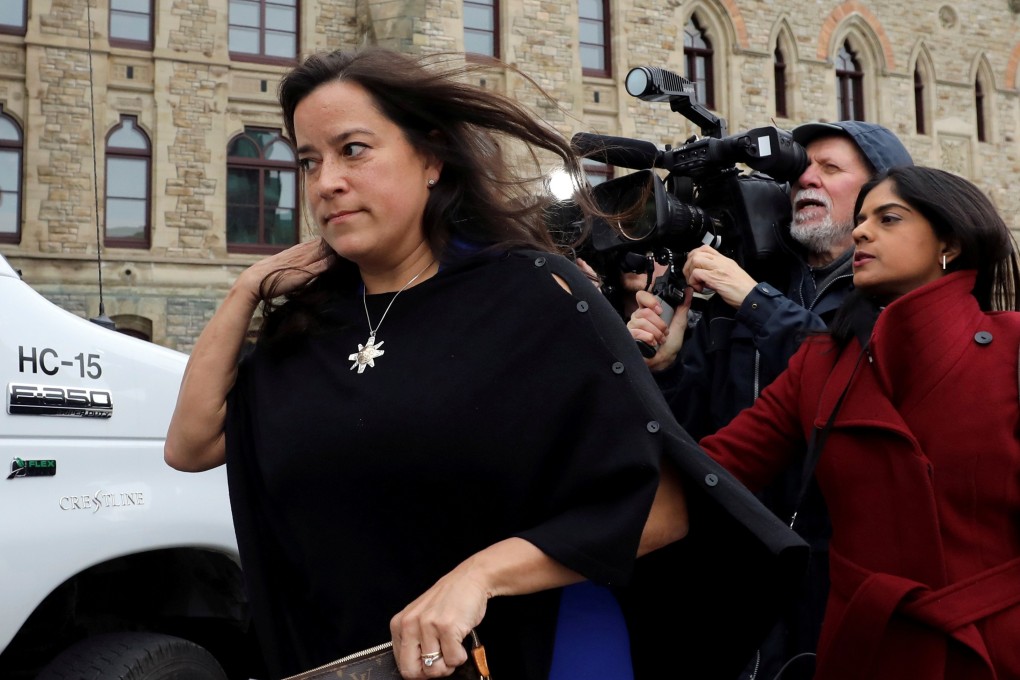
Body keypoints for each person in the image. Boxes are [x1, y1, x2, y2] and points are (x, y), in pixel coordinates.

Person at [164, 47, 806, 680]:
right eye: (308, 161)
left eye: (353, 150)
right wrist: (247, 288)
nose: (326, 181)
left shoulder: (532, 295)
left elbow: (660, 507)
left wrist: (481, 576)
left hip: (516, 654)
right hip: (340, 663)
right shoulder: (309, 325)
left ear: (432, 159)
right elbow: (192, 444)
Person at [700, 165, 1020, 679]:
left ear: (951, 243)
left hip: (996, 651)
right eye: (862, 218)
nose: (861, 230)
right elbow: (711, 471)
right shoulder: (820, 362)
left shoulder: (1013, 347)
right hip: (866, 650)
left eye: (888, 218)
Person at [624, 120, 913, 679]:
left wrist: (755, 301)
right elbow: (697, 440)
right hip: (731, 579)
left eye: (830, 170)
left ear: (882, 194)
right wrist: (664, 370)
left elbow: (861, 377)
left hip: (837, 578)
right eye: (800, 170)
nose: (807, 180)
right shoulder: (738, 290)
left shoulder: (896, 293)